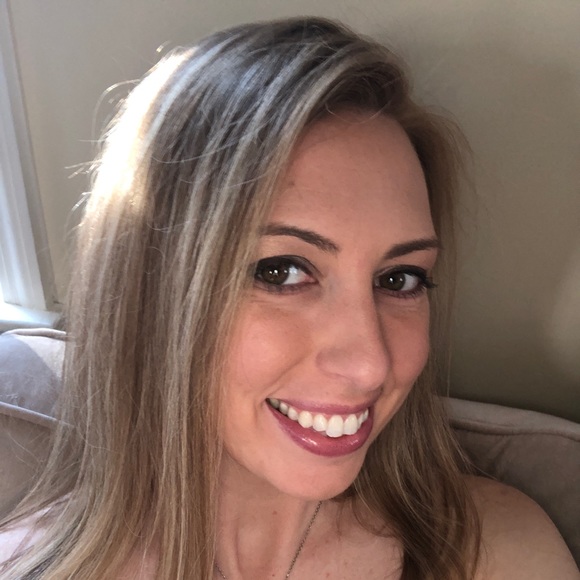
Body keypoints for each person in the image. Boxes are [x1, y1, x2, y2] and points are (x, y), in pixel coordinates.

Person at [0, 16, 577, 580]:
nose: (371, 365)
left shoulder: (495, 549)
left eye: (399, 279)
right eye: (280, 271)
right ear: (154, 296)